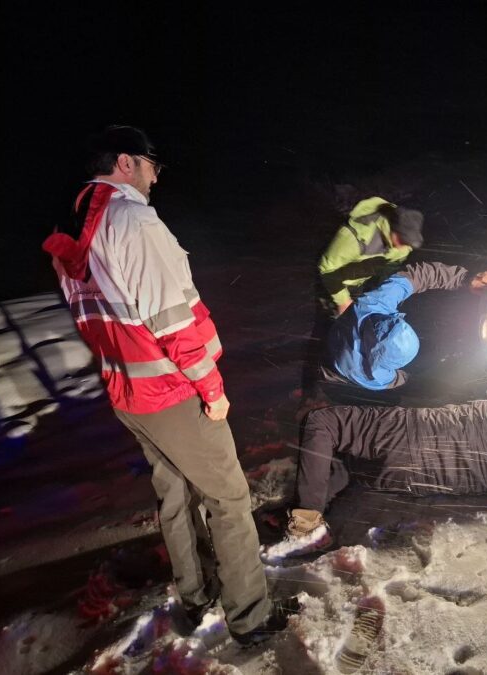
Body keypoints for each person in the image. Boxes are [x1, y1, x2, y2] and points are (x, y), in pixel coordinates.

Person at [42, 125, 285, 645]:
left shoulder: (77, 230)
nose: (156, 177)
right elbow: (171, 319)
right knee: (228, 498)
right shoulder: (132, 220)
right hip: (171, 391)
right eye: (153, 165)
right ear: (126, 162)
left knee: (174, 495)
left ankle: (196, 595)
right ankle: (251, 617)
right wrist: (211, 389)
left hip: (129, 394)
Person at [272, 387, 487, 557]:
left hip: (410, 429)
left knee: (323, 421)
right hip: (412, 480)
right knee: (358, 470)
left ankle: (307, 517)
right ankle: (325, 496)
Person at [323, 261, 487, 391]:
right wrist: (411, 378)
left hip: (331, 336)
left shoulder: (371, 307)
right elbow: (396, 380)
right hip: (328, 365)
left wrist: (464, 279)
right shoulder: (369, 376)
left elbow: (417, 276)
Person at [318, 197, 424, 316]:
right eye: (401, 240)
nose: (402, 247)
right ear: (393, 228)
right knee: (330, 318)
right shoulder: (355, 237)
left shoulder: (404, 244)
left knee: (354, 319)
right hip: (335, 283)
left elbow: (391, 267)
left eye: (407, 243)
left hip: (359, 283)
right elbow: (327, 269)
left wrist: (384, 291)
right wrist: (343, 301)